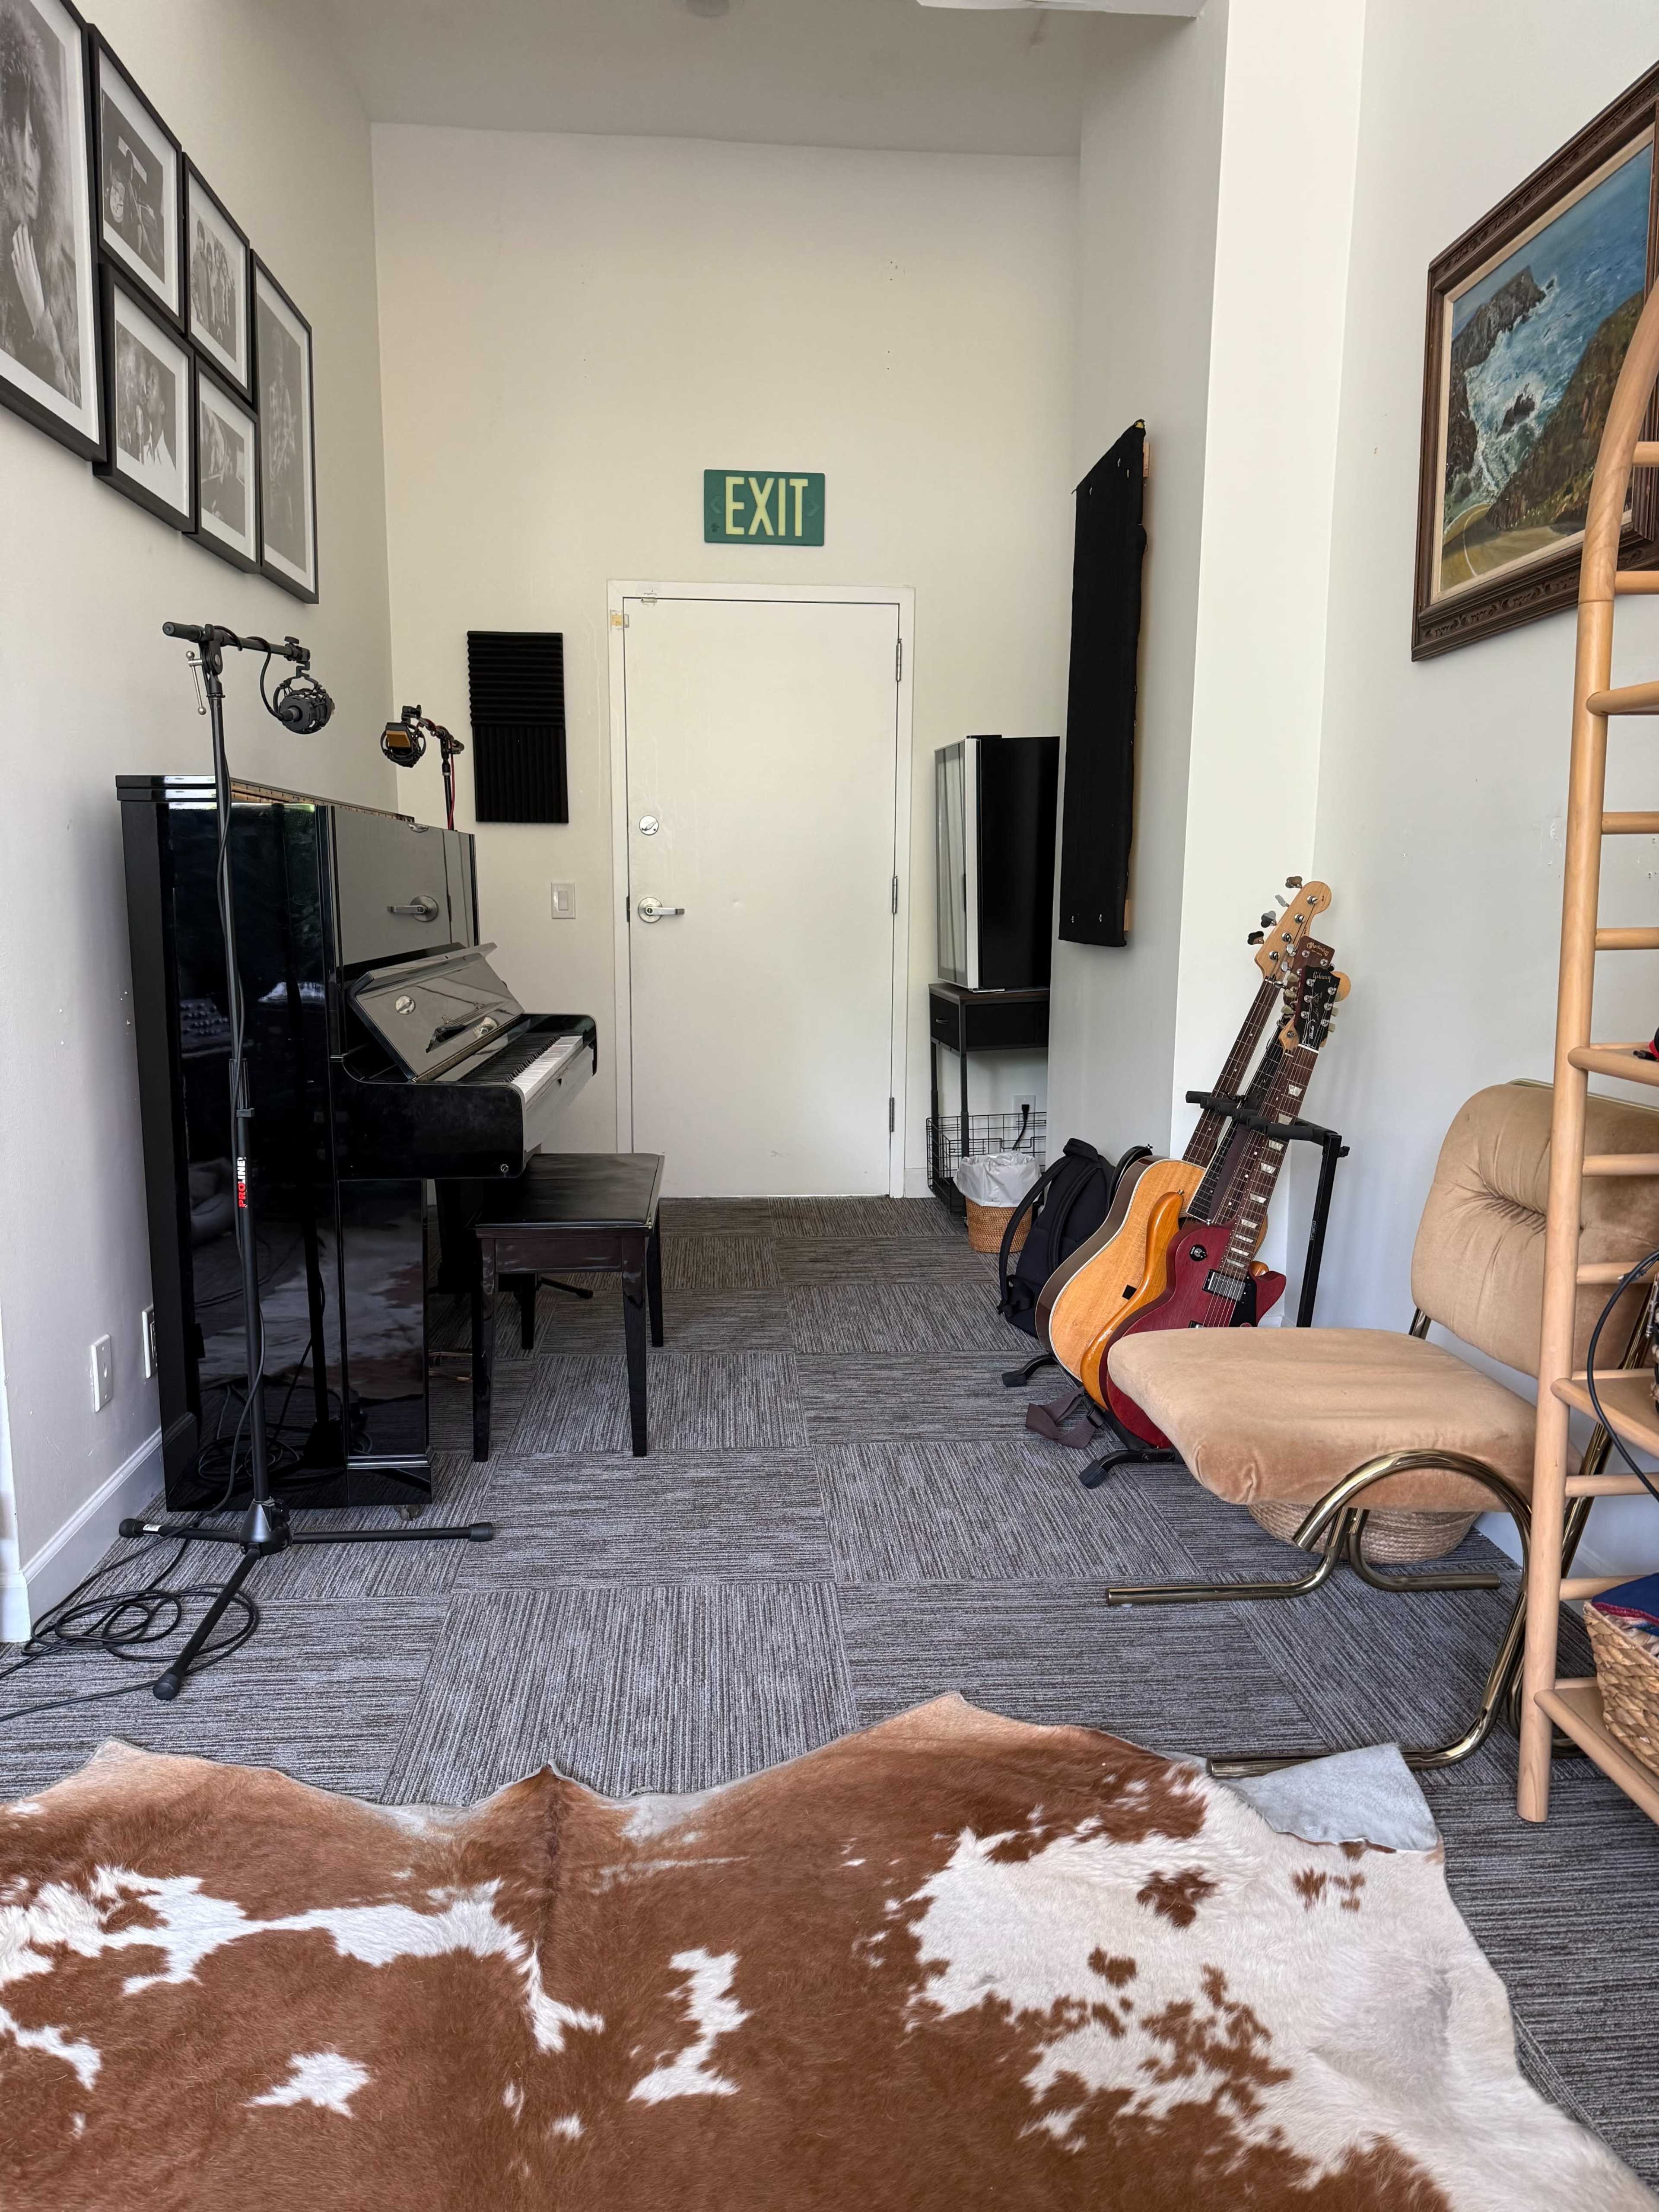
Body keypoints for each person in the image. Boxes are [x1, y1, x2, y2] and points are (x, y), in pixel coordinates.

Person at [0, 0, 80, 401]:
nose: (29, 163)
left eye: (37, 142)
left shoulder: (66, 277)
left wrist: (41, 318)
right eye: (16, 129)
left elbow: (75, 407)